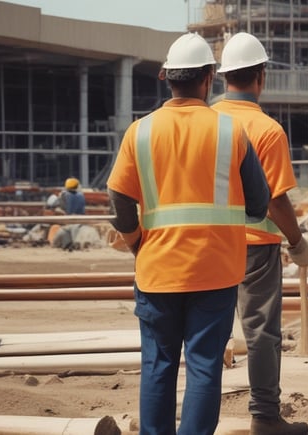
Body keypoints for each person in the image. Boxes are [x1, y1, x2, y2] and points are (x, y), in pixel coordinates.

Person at [106, 32, 270, 435]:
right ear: (209, 77)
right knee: (204, 368)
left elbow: (118, 199)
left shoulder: (139, 132)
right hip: (215, 272)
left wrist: (136, 242)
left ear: (165, 76)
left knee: (158, 366)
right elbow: (259, 205)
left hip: (158, 270)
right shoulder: (231, 132)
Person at [211, 32, 308, 435]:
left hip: (209, 245)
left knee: (208, 333)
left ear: (222, 78)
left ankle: (199, 419)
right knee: (261, 336)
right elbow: (275, 200)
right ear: (261, 75)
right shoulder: (268, 130)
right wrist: (298, 241)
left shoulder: (208, 122)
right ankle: (265, 416)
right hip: (255, 249)